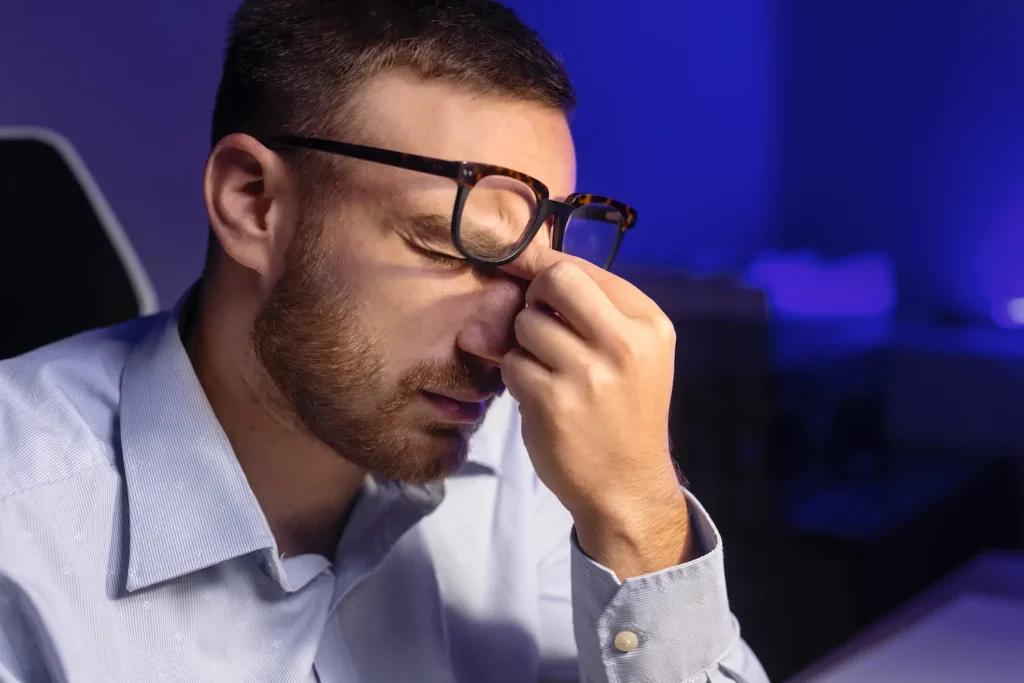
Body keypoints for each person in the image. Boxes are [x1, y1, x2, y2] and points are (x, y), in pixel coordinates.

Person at [0, 1, 769, 681]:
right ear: (252, 203)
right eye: (451, 249)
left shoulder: (530, 451)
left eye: (533, 268)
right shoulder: (20, 533)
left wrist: (637, 512)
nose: (502, 349)